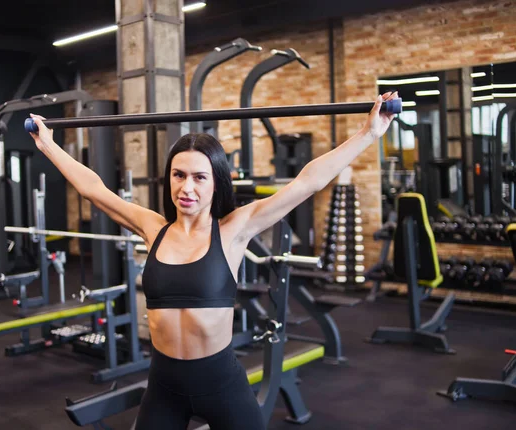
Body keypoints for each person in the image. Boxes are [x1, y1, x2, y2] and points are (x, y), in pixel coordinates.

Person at [28, 91, 398, 429]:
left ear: (216, 182)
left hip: (220, 383)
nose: (187, 187)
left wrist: (368, 133)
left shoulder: (233, 230)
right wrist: (48, 147)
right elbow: (93, 188)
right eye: (179, 175)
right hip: (164, 385)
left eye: (199, 177)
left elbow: (306, 182)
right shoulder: (152, 227)